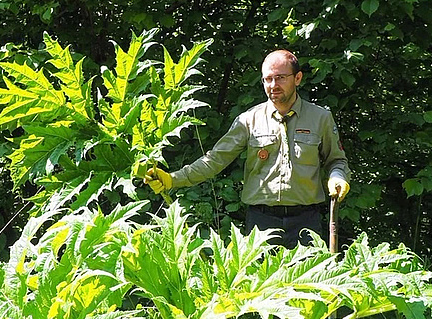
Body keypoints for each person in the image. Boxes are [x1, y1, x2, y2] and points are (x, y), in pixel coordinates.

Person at [146, 49, 350, 248]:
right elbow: (215, 160)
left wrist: (338, 176)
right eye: (267, 79)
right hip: (261, 223)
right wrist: (173, 179)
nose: (273, 85)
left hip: (306, 223)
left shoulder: (320, 118)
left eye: (280, 78)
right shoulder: (248, 120)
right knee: (259, 282)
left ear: (297, 78)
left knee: (310, 281)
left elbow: (336, 161)